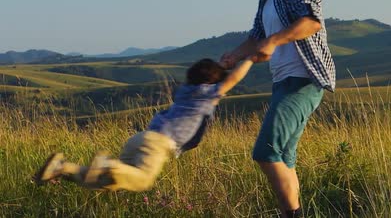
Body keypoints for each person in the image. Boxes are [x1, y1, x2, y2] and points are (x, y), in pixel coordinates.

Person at [220, 0, 336, 218]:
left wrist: (274, 40)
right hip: (283, 81)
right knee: (284, 157)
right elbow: (256, 36)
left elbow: (312, 22)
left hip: (303, 79)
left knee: (265, 152)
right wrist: (233, 56)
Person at [34, 57, 255, 191]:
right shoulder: (207, 94)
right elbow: (232, 79)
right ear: (212, 82)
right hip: (158, 143)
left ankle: (62, 169)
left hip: (140, 138)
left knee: (106, 182)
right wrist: (251, 58)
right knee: (142, 182)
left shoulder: (188, 90)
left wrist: (222, 64)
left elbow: (210, 74)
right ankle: (105, 164)